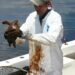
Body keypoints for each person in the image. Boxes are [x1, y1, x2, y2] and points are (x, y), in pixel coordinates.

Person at [4, 0, 64, 75]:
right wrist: (13, 34)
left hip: (52, 69)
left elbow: (52, 38)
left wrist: (27, 36)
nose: (37, 9)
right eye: (35, 6)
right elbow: (21, 37)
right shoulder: (31, 16)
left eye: (40, 6)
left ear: (48, 4)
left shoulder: (55, 17)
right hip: (35, 67)